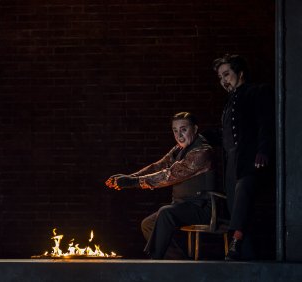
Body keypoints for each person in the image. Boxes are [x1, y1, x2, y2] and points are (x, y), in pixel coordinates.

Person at [105, 112, 216, 259]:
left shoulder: (202, 151)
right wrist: (130, 177)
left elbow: (169, 175)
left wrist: (133, 183)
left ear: (195, 129)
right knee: (148, 224)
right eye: (175, 131)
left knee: (165, 212)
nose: (179, 135)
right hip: (183, 206)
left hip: (202, 208)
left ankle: (155, 261)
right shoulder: (178, 149)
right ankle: (179, 262)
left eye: (184, 129)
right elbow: (159, 166)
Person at [212, 54, 274, 260]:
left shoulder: (256, 92)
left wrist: (263, 150)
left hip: (250, 158)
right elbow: (225, 134)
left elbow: (266, 123)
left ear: (240, 73)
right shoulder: (228, 103)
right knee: (237, 208)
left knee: (244, 195)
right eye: (220, 77)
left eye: (227, 74)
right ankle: (246, 262)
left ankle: (236, 239)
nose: (223, 80)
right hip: (231, 163)